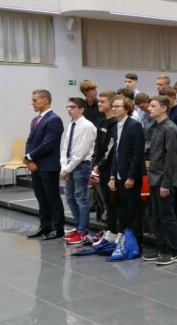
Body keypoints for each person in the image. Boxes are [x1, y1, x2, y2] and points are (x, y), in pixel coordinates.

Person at [143, 95, 177, 266]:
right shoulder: (157, 127)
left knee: (167, 217)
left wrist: (166, 183)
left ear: (164, 108)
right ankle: (162, 248)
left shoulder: (170, 129)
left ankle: (174, 251)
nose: (149, 108)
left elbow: (171, 160)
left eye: (153, 106)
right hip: (154, 178)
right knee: (156, 217)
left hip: (164, 180)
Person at [25, 90, 66, 240]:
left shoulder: (54, 119)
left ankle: (58, 228)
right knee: (41, 197)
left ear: (46, 100)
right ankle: (45, 226)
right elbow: (30, 141)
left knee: (52, 197)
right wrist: (29, 160)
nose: (32, 103)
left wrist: (30, 156)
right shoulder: (35, 120)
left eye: (35, 100)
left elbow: (48, 144)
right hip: (35, 165)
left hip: (48, 166)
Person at [59, 97, 98, 246]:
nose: (69, 109)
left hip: (81, 165)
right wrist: (64, 166)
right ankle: (78, 227)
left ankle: (83, 232)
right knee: (70, 197)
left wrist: (67, 168)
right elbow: (65, 147)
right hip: (70, 165)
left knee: (81, 198)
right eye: (68, 107)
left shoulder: (87, 126)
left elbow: (81, 151)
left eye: (73, 107)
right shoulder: (72, 124)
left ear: (82, 109)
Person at [108, 96, 145, 244]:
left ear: (127, 108)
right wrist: (112, 176)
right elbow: (115, 153)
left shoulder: (134, 126)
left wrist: (131, 177)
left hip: (130, 175)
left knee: (133, 210)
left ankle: (135, 242)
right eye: (113, 106)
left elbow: (138, 154)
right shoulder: (115, 126)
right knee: (122, 209)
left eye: (117, 106)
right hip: (118, 174)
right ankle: (124, 238)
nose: (114, 109)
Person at [92, 90, 120, 242]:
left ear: (111, 103)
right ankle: (109, 231)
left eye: (102, 101)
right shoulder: (102, 122)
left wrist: (101, 165)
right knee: (107, 202)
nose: (99, 103)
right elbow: (98, 146)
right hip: (101, 169)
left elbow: (111, 149)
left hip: (111, 169)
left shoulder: (115, 124)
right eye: (99, 101)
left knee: (114, 202)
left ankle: (116, 232)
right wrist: (94, 163)